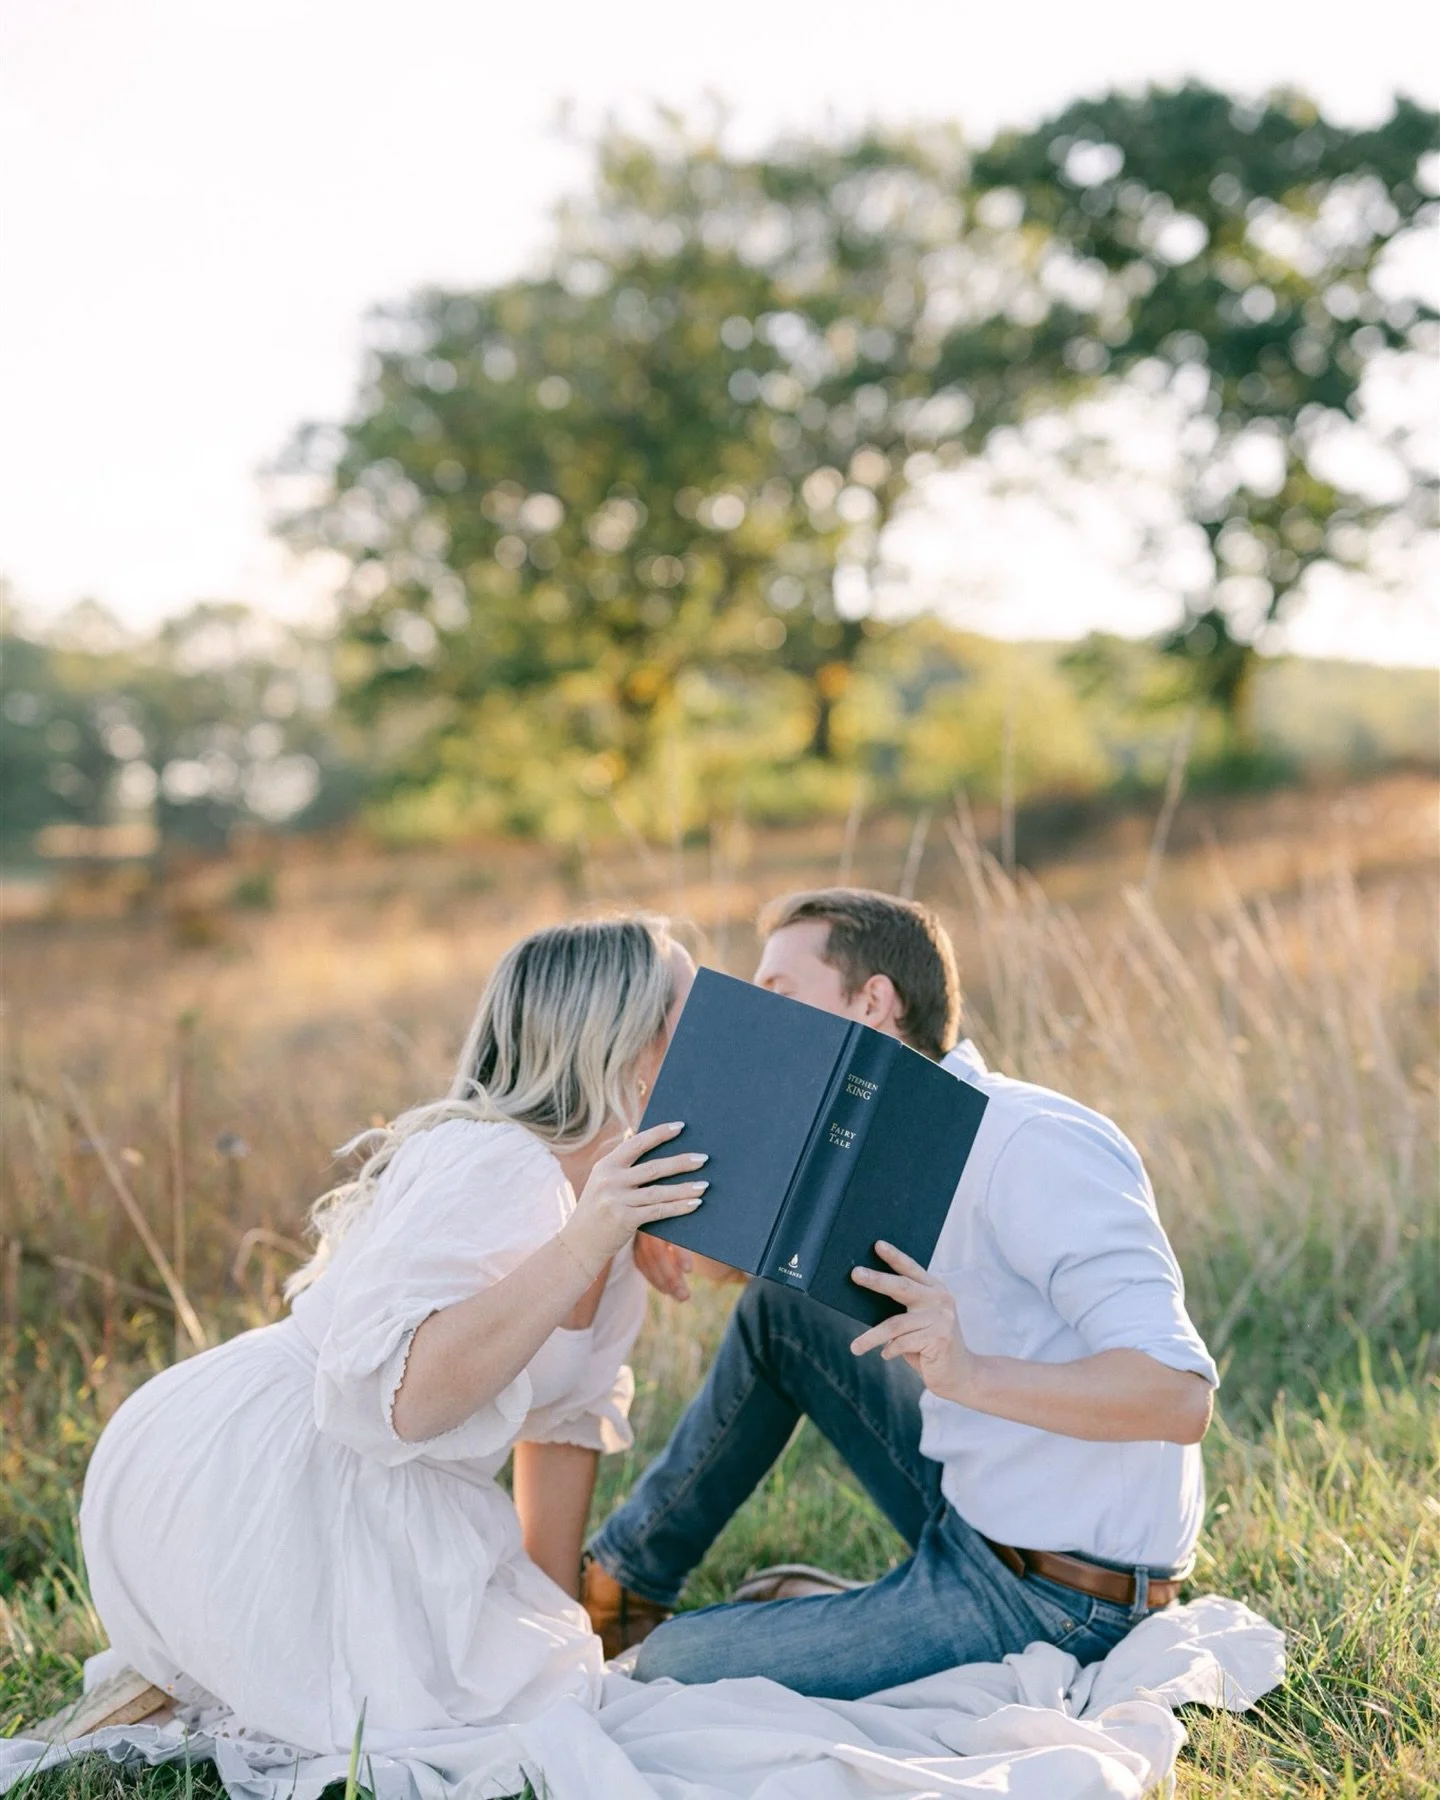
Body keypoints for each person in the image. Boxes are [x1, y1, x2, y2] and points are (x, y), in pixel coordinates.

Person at [80, 916, 707, 1753]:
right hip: (282, 1472)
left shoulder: (618, 1201)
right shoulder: (493, 1160)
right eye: (691, 1019)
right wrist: (584, 1240)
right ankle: (214, 1653)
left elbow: (562, 1426)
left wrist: (555, 1629)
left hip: (404, 1490)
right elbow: (401, 1405)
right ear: (624, 1042)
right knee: (454, 1727)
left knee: (562, 1699)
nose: (717, 1046)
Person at [583, 888, 1219, 1698]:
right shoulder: (889, 1144)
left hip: (1057, 1593)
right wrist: (657, 1222)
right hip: (973, 1511)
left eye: (778, 994)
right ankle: (622, 1581)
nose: (756, 1020)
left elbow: (1177, 1398)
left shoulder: (1031, 1144)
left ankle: (852, 1616)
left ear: (874, 1002)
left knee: (672, 1673)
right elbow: (755, 1275)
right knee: (784, 1310)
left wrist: (970, 1373)